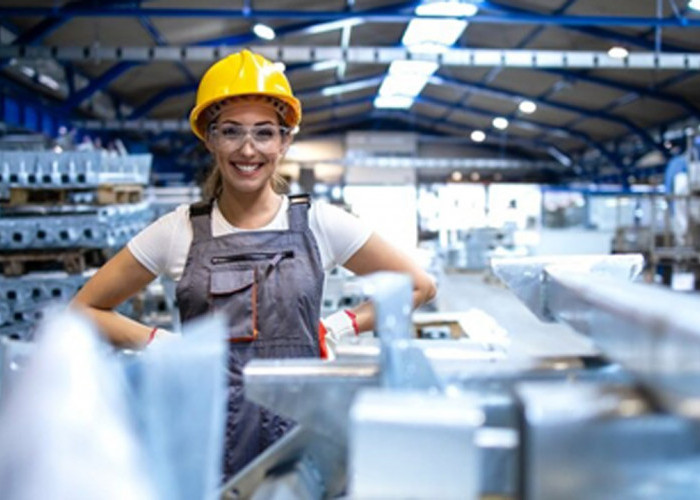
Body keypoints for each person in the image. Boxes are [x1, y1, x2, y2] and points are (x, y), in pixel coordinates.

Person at [71, 49, 436, 480]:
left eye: (264, 133)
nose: (248, 149)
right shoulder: (177, 231)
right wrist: (162, 343)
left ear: (284, 141)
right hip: (208, 443)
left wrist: (336, 326)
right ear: (210, 139)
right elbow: (83, 308)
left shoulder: (320, 223)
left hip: (300, 439)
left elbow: (418, 285)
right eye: (231, 132)